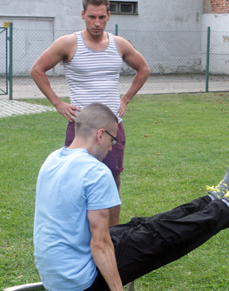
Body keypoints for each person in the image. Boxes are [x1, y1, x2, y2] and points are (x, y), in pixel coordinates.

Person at [33, 103, 229, 291]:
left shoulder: (52, 159)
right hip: (81, 284)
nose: (111, 147)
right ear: (100, 135)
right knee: (163, 236)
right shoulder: (94, 171)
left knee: (144, 225)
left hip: (55, 277)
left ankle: (210, 200)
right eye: (112, 139)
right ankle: (226, 211)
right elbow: (100, 243)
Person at [30, 0, 150, 226]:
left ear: (109, 16)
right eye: (92, 17)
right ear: (83, 15)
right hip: (81, 127)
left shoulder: (120, 44)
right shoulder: (68, 43)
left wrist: (125, 99)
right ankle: (79, 232)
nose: (97, 23)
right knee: (76, 180)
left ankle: (113, 237)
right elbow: (37, 70)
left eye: (101, 17)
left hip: (112, 128)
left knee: (113, 179)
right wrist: (58, 104)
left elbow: (144, 69)